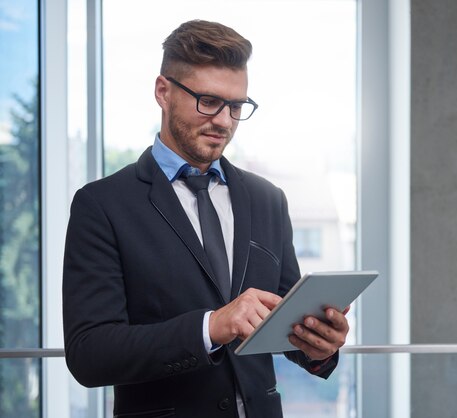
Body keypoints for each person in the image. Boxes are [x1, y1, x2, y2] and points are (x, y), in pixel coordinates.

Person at [62, 19, 349, 418]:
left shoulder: (269, 200)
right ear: (163, 92)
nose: (225, 122)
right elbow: (90, 354)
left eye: (236, 106)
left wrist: (318, 346)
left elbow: (282, 325)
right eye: (209, 101)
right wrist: (211, 326)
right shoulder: (102, 205)